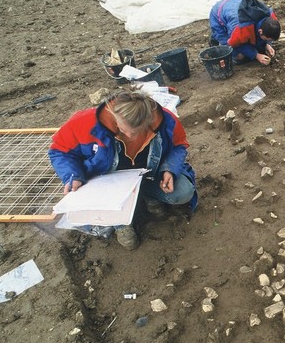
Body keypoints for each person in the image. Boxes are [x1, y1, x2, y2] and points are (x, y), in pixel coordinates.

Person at [49, 90, 197, 250]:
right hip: (108, 186)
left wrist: (169, 169)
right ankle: (120, 223)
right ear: (113, 115)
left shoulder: (166, 120)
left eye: (135, 132)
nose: (128, 136)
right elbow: (59, 150)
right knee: (129, 241)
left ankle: (148, 196)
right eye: (121, 129)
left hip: (149, 175)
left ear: (149, 120)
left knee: (183, 192)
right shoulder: (84, 122)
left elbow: (179, 145)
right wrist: (73, 175)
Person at [209, 0, 281, 66]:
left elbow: (261, 36)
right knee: (240, 56)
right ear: (260, 31)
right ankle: (214, 38)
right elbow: (236, 44)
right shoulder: (241, 28)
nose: (268, 40)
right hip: (218, 13)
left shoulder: (271, 20)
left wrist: (267, 45)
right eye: (267, 39)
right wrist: (256, 55)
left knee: (258, 46)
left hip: (237, 1)